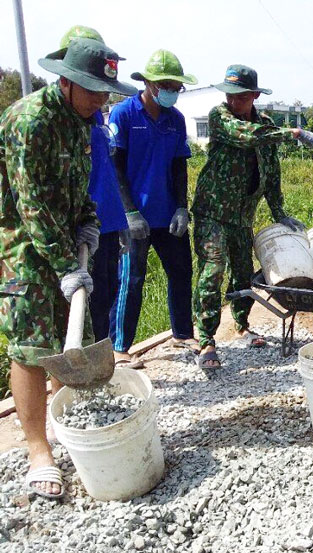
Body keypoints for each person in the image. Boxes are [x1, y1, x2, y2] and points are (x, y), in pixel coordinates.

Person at [0, 37, 136, 498]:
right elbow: (31, 205)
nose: (102, 99)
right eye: (93, 89)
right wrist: (63, 265)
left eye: (105, 90)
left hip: (61, 241)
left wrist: (88, 225)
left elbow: (82, 185)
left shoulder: (83, 120)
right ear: (66, 81)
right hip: (20, 246)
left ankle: (63, 427)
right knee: (31, 346)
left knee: (68, 338)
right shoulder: (32, 120)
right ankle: (38, 448)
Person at [191, 65, 313, 369]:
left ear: (252, 96)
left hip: (241, 215)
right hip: (213, 211)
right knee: (213, 271)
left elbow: (271, 173)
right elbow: (246, 137)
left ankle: (241, 326)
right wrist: (294, 133)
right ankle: (206, 341)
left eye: (240, 96)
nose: (233, 100)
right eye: (230, 94)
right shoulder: (220, 116)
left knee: (243, 273)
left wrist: (280, 213)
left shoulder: (264, 125)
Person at [108, 49, 198, 367]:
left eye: (177, 86)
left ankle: (183, 334)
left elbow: (178, 167)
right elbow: (115, 167)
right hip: (134, 215)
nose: (173, 91)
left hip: (166, 212)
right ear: (149, 83)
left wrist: (181, 208)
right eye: (168, 85)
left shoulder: (175, 120)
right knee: (131, 279)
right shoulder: (124, 114)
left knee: (181, 271)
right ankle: (119, 348)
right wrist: (129, 212)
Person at [47, 26, 133, 341]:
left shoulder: (91, 115)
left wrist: (121, 217)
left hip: (101, 222)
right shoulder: (47, 122)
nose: (99, 97)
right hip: (68, 234)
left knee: (106, 296)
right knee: (83, 311)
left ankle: (102, 362)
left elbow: (101, 169)